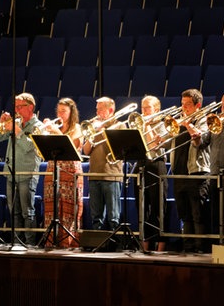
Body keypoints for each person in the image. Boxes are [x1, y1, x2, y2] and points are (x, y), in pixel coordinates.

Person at [192, 91, 224, 246]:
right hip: (215, 175)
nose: (223, 108)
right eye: (222, 104)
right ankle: (218, 244)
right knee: (216, 212)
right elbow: (203, 143)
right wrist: (197, 138)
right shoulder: (217, 122)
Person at [0, 93, 43, 246]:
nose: (17, 110)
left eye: (20, 107)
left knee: (27, 212)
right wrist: (1, 124)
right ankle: (16, 243)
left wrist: (17, 131)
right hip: (10, 172)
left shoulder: (38, 126)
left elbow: (30, 147)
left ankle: (29, 244)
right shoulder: (15, 122)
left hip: (27, 173)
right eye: (15, 107)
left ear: (31, 107)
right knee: (13, 210)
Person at [169, 89, 210, 253]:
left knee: (197, 214)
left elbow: (199, 141)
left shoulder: (204, 121)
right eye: (182, 104)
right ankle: (188, 247)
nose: (183, 108)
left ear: (197, 106)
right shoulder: (177, 123)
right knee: (184, 214)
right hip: (179, 173)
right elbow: (169, 142)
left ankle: (199, 249)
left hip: (196, 173)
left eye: (187, 105)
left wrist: (187, 124)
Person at [41, 97, 84, 248]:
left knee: (68, 209)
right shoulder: (55, 127)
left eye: (64, 111)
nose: (60, 114)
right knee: (51, 206)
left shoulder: (77, 128)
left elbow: (74, 146)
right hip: (53, 168)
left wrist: (56, 131)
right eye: (58, 110)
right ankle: (51, 240)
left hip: (70, 170)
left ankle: (68, 242)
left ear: (71, 112)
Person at [82, 97, 126, 231]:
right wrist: (93, 133)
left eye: (100, 109)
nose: (97, 112)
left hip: (111, 175)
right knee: (96, 217)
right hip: (94, 175)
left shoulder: (120, 126)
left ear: (110, 110)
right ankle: (99, 244)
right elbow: (86, 150)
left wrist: (103, 130)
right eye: (97, 109)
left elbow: (118, 150)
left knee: (113, 217)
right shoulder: (93, 127)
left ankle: (115, 246)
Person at [132, 95, 169, 252]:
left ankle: (160, 245)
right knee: (142, 206)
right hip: (141, 164)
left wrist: (146, 126)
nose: (144, 110)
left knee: (158, 205)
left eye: (147, 107)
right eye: (142, 107)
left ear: (156, 109)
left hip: (156, 165)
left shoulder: (163, 123)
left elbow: (154, 146)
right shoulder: (138, 124)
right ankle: (144, 244)